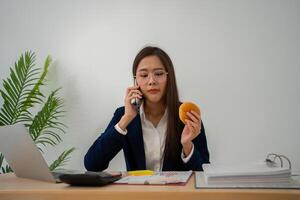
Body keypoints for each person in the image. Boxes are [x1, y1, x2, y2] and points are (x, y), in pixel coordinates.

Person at [84, 46, 209, 171]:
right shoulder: (123, 115)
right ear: (135, 81)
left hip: (175, 191)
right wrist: (126, 119)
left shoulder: (186, 116)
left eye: (159, 74)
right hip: (138, 191)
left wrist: (187, 145)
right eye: (144, 75)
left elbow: (203, 172)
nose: (151, 81)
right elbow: (92, 164)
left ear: (168, 77)